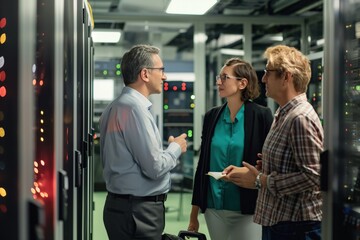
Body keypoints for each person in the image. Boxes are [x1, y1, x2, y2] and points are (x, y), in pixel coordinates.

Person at [223, 45, 324, 240]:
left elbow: (314, 177)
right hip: (281, 222)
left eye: (267, 72)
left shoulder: (299, 118)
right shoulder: (283, 113)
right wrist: (267, 168)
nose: (263, 79)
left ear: (286, 76)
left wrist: (264, 180)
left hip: (297, 226)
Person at [99, 44, 188, 240]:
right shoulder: (134, 109)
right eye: (161, 70)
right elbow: (154, 167)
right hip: (139, 212)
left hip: (121, 208)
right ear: (145, 74)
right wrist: (175, 148)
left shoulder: (114, 107)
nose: (164, 76)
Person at [188, 58, 273, 240]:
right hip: (213, 208)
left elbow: (271, 162)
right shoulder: (212, 116)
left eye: (224, 77)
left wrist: (252, 171)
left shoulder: (262, 116)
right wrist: (194, 214)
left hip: (248, 208)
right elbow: (202, 164)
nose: (219, 82)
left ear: (242, 83)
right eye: (219, 77)